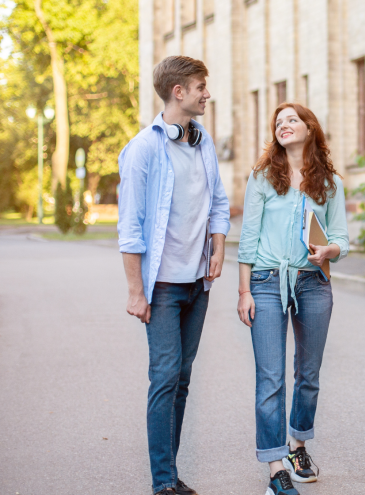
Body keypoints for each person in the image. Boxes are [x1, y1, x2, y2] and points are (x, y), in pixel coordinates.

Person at [118, 55, 230, 495]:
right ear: (178, 92)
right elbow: (130, 228)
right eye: (201, 86)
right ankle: (163, 482)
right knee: (165, 377)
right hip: (161, 286)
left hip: (197, 283)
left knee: (182, 379)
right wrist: (135, 291)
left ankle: (171, 473)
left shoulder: (203, 142)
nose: (208, 93)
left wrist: (218, 246)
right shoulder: (144, 149)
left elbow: (218, 201)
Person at [236, 102, 349, 495]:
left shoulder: (329, 181)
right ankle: (275, 468)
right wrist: (243, 290)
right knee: (269, 378)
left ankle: (297, 446)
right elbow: (248, 237)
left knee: (309, 374)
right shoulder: (263, 176)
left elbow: (342, 239)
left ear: (309, 127)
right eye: (278, 122)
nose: (284, 125)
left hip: (313, 282)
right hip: (267, 281)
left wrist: (329, 252)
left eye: (292, 120)